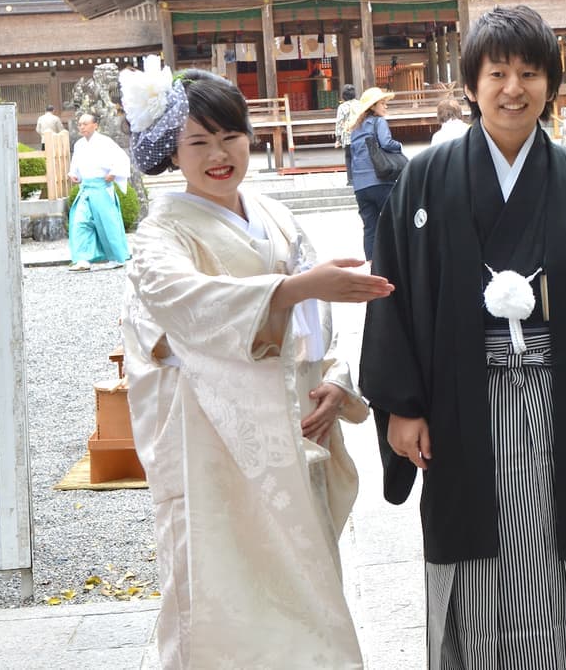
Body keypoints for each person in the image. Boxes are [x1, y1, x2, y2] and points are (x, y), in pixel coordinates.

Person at [359, 5, 566, 669]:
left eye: (530, 73)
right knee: (470, 557)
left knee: (565, 556)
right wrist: (402, 405)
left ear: (551, 85)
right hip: (458, 407)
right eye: (497, 72)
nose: (513, 88)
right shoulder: (425, 180)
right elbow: (394, 293)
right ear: (471, 84)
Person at [117, 60, 393, 669]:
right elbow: (185, 307)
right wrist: (290, 290)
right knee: (224, 597)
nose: (219, 154)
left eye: (231, 136)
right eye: (199, 142)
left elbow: (318, 325)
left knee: (307, 592)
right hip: (211, 447)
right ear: (173, 152)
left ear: (250, 137)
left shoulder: (276, 216)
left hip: (290, 433)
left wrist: (334, 381)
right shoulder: (161, 234)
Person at [66, 112, 132, 271]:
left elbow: (122, 159)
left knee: (107, 224)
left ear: (95, 125)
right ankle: (83, 259)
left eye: (85, 124)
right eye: (80, 124)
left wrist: (114, 172)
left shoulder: (105, 142)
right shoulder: (79, 144)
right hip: (86, 189)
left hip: (102, 187)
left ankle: (116, 257)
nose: (82, 127)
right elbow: (75, 165)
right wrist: (73, 174)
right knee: (80, 222)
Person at [347, 86, 404, 261]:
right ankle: (393, 260)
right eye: (383, 103)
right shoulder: (379, 122)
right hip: (380, 180)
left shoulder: (356, 128)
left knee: (370, 227)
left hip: (360, 186)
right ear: (373, 107)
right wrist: (399, 145)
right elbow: (386, 143)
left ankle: (371, 263)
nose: (386, 107)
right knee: (391, 222)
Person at [334, 83, 360, 180]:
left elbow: (339, 123)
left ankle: (350, 179)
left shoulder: (342, 107)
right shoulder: (359, 104)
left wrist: (338, 138)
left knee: (349, 158)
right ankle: (360, 177)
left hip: (348, 136)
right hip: (359, 134)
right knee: (359, 157)